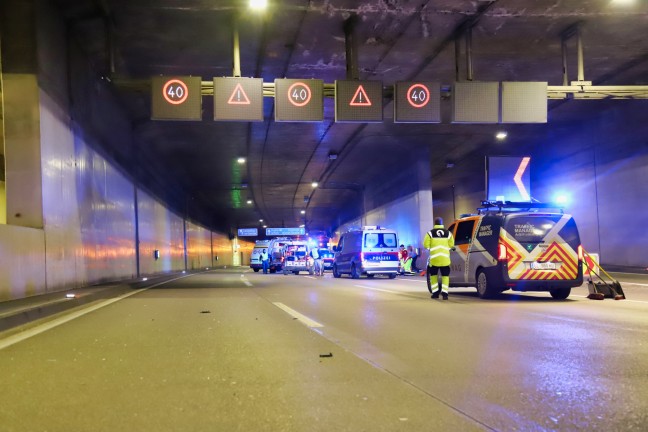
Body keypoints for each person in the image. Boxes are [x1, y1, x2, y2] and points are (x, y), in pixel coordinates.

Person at [423, 217, 455, 300]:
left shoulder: (429, 233)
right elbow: (451, 245)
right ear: (442, 223)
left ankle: (435, 293)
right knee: (445, 276)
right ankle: (445, 294)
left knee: (433, 276)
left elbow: (426, 245)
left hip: (434, 259)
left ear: (435, 223)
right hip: (445, 259)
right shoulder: (448, 233)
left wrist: (431, 249)